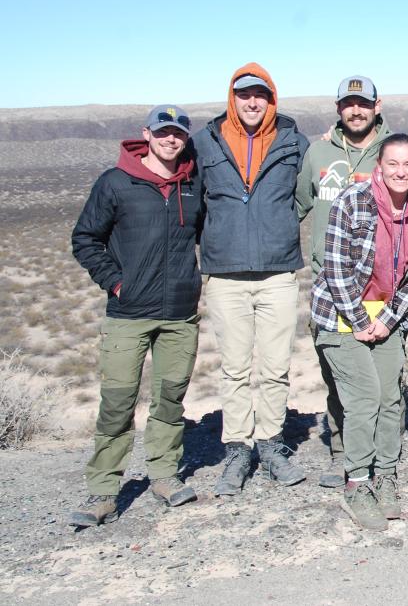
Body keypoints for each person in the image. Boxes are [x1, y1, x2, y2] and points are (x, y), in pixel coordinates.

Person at [69, 105, 204, 526]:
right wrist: (115, 282)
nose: (170, 139)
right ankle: (103, 490)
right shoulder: (115, 182)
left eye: (178, 133)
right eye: (162, 132)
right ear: (146, 134)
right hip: (128, 313)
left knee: (170, 397)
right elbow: (85, 238)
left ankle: (165, 474)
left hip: (179, 314)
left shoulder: (191, 184)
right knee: (118, 400)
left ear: (185, 138)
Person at [309, 134, 408, 530]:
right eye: (392, 164)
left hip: (387, 315)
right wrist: (361, 321)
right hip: (340, 314)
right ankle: (357, 484)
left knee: (390, 398)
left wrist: (388, 317)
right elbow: (334, 267)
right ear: (379, 166)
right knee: (364, 397)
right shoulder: (352, 200)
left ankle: (386, 476)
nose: (400, 172)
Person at [194, 63, 310, 495]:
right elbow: (195, 200)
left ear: (272, 98)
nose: (252, 102)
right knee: (235, 368)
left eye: (260, 94)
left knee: (276, 366)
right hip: (225, 273)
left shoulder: (292, 141)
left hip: (278, 270)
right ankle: (238, 448)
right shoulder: (204, 141)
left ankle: (272, 442)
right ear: (232, 97)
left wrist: (275, 226)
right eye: (244, 94)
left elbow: (306, 193)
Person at [297, 75, 392, 489]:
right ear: (339, 108)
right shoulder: (317, 151)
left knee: (381, 379)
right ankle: (343, 452)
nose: (356, 110)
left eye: (363, 103)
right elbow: (298, 205)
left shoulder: (392, 152)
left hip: (377, 287)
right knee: (337, 375)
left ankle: (381, 458)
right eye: (349, 104)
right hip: (326, 285)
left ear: (377, 105)